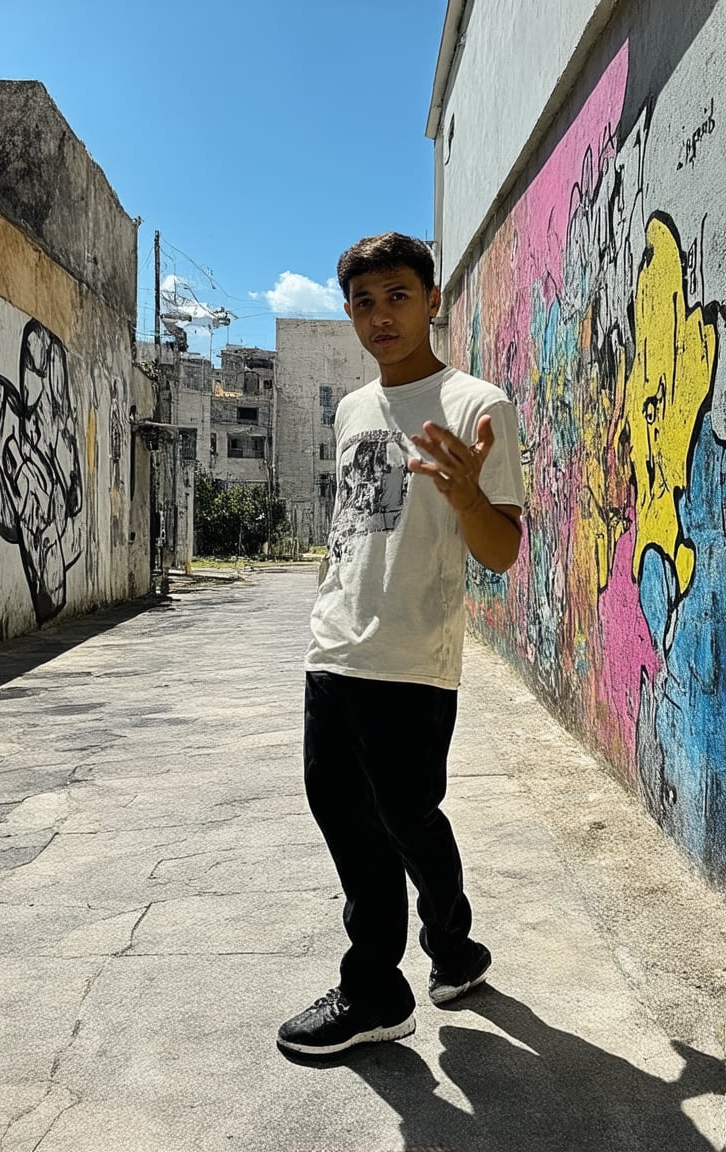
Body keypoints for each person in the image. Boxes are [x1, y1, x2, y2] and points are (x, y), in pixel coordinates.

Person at [277, 232, 525, 1058]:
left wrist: (465, 497)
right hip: (333, 652)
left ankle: (431, 958)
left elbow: (500, 551)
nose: (380, 316)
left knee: (407, 818)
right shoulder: (353, 410)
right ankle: (390, 984)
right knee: (350, 824)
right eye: (363, 301)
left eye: (396, 296)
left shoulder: (475, 406)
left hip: (414, 660)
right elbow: (356, 529)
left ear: (431, 301)